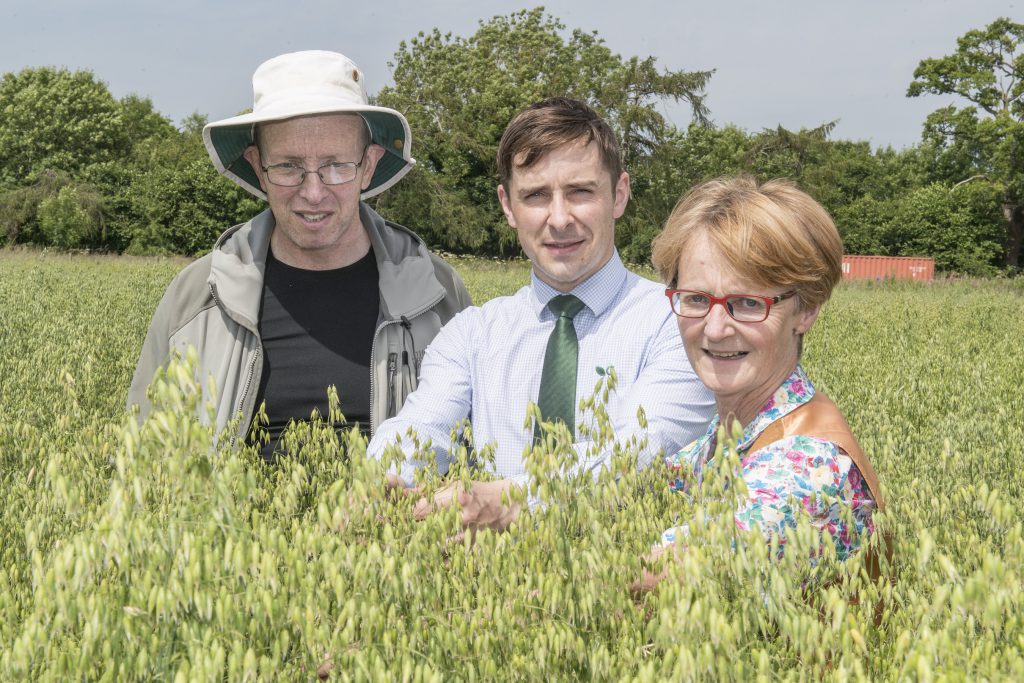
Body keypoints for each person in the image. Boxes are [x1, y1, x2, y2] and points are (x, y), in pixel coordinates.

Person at [368, 97, 714, 529]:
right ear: (508, 206)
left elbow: (642, 450)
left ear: (619, 194)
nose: (559, 218)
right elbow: (423, 425)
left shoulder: (681, 321)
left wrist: (514, 500)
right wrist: (384, 481)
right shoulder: (473, 334)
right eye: (535, 196)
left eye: (580, 192)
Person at [127, 51, 471, 460]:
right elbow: (143, 458)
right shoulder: (196, 297)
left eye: (336, 166)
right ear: (258, 167)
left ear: (368, 165)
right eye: (289, 167)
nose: (313, 193)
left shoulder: (438, 294)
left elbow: (479, 452)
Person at [633, 176, 884, 593]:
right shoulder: (721, 443)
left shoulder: (809, 466)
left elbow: (649, 576)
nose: (715, 329)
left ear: (805, 310)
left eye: (748, 303)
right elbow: (617, 497)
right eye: (696, 299)